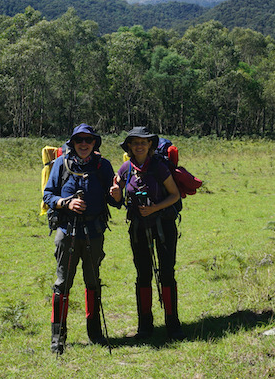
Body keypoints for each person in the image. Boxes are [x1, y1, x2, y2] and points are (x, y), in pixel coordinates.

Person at [43, 123, 118, 354]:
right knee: (62, 283)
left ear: (94, 142)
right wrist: (67, 203)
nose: (83, 144)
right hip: (67, 232)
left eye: (88, 140)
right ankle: (58, 337)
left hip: (94, 233)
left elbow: (114, 199)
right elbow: (47, 195)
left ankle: (94, 332)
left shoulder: (103, 165)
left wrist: (116, 194)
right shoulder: (61, 164)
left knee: (93, 281)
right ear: (72, 143)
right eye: (79, 140)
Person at [109, 126, 186, 341]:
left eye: (143, 142)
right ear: (130, 147)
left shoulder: (159, 167)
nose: (139, 146)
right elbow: (117, 199)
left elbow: (174, 195)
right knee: (143, 274)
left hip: (164, 226)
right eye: (135, 143)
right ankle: (145, 325)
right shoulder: (125, 168)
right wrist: (115, 194)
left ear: (150, 144)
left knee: (167, 272)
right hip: (138, 229)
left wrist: (155, 208)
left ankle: (173, 323)